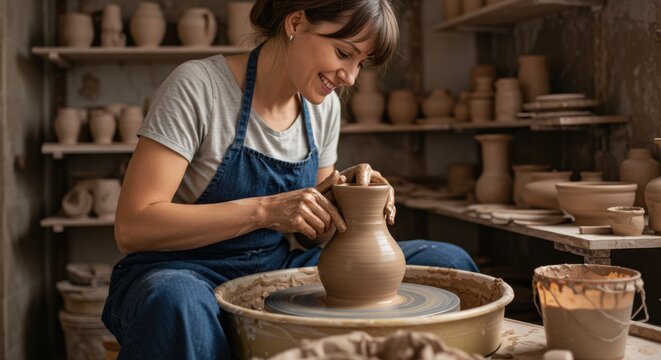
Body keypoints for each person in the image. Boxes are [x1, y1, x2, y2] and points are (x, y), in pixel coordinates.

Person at [102, 0, 478, 358]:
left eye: (361, 63)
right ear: (295, 23)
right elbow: (134, 226)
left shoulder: (323, 106)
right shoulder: (199, 87)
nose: (349, 77)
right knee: (178, 302)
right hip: (181, 270)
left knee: (448, 261)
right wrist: (265, 211)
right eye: (344, 53)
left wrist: (347, 197)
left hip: (272, 266)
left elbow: (315, 235)